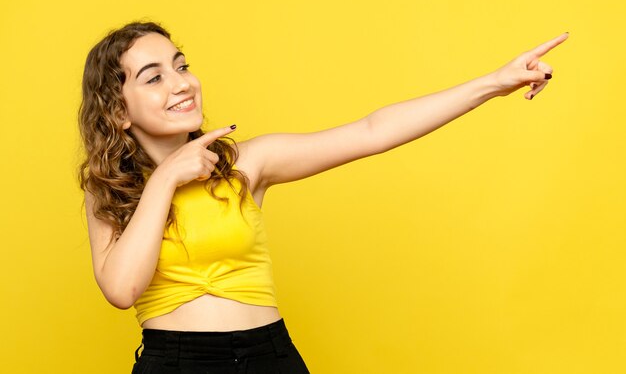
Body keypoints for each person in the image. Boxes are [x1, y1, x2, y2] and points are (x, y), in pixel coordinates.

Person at [78, 21, 568, 373]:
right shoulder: (110, 191)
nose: (182, 82)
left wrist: (494, 83)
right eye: (154, 76)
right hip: (177, 362)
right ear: (119, 111)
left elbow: (373, 131)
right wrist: (165, 179)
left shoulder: (246, 165)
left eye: (181, 65)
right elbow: (122, 290)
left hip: (271, 356)